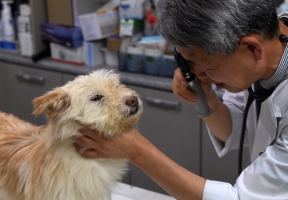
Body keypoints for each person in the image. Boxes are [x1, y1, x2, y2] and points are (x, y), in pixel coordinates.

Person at [75, 0, 288, 199]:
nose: (198, 75)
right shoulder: (259, 41)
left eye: (205, 66)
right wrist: (208, 99)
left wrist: (139, 152)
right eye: (188, 63)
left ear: (252, 48)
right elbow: (237, 129)